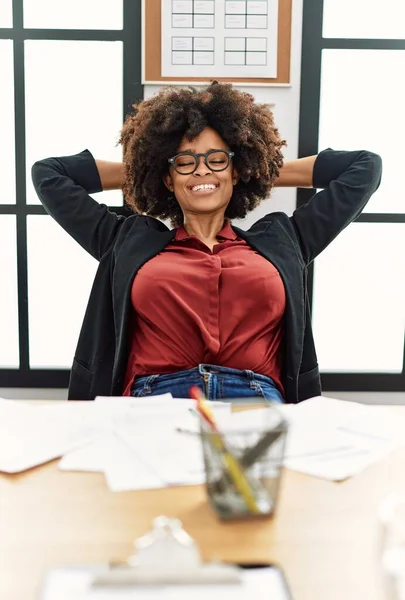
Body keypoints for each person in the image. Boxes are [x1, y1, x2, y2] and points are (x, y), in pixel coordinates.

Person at [31, 81, 382, 403]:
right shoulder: (125, 241)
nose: (202, 171)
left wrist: (259, 169)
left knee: (252, 475)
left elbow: (364, 168)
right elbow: (49, 174)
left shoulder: (285, 241)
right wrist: (146, 168)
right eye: (186, 162)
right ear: (168, 179)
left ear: (236, 170)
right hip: (155, 401)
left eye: (216, 160)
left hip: (254, 400)